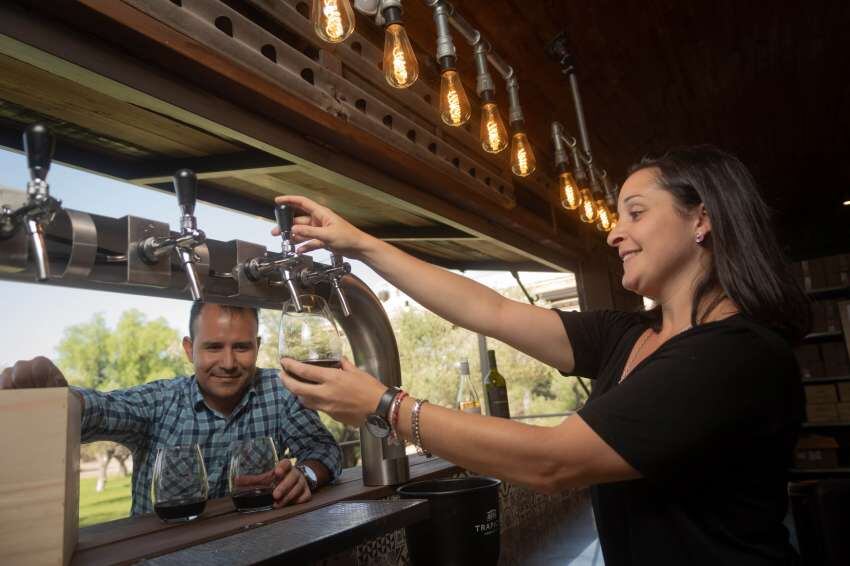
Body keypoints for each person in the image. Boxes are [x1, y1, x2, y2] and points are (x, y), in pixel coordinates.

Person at [275, 146, 808, 565]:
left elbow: (553, 460)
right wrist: (360, 243)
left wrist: (386, 407)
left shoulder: (735, 357)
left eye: (636, 213)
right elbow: (490, 310)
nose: (614, 231)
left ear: (702, 220)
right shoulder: (629, 334)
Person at [1, 302, 342, 515]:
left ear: (258, 346)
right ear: (189, 349)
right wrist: (61, 398)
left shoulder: (279, 391)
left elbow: (323, 449)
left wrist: (306, 476)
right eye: (213, 347)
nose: (228, 362)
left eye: (241, 347)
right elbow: (100, 411)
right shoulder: (161, 401)